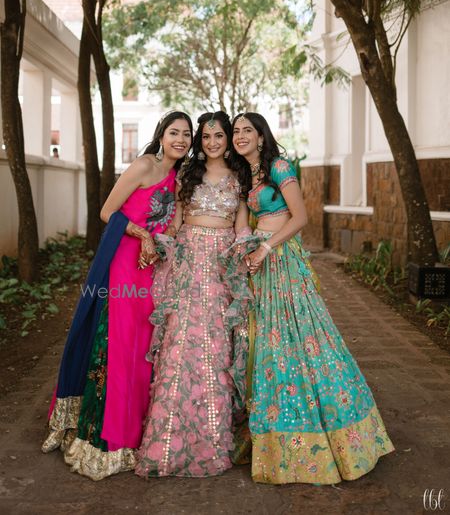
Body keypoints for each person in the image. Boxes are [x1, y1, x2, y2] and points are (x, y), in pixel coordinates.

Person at [231, 112, 394, 485]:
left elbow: (301, 217)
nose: (240, 136)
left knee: (306, 336)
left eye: (247, 131)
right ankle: (278, 433)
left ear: (261, 136)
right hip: (261, 262)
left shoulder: (278, 166)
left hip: (282, 259)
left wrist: (266, 249)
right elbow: (244, 219)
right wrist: (245, 248)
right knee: (271, 342)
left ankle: (341, 433)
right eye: (236, 131)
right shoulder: (246, 176)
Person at [41, 111, 193, 480]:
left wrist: (160, 241)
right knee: (119, 344)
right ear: (161, 134)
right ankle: (107, 435)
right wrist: (142, 236)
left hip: (153, 268)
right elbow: (108, 211)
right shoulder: (143, 166)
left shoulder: (178, 179)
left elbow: (173, 223)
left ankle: (136, 434)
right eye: (174, 132)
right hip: (124, 263)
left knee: (145, 346)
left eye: (187, 134)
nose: (181, 139)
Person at [135, 111, 251, 478]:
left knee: (217, 345)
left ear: (227, 137)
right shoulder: (188, 174)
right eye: (206, 137)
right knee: (181, 342)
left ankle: (214, 436)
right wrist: (157, 244)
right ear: (200, 141)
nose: (213, 142)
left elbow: (243, 224)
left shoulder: (239, 175)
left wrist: (248, 252)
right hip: (187, 259)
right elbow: (176, 221)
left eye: (219, 136)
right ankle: (167, 439)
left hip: (221, 262)